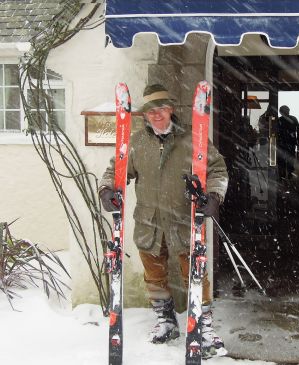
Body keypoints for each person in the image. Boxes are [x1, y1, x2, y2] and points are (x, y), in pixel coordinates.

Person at [98, 84, 229, 358]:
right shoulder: (136, 142)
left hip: (184, 220)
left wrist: (214, 197)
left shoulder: (193, 139)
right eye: (150, 111)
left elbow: (217, 168)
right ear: (144, 115)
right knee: (154, 276)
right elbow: (116, 170)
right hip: (149, 222)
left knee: (194, 274)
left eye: (161, 108)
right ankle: (166, 320)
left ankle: (203, 325)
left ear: (171, 109)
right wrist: (107, 190)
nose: (156, 114)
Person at [276, 105, 299, 180]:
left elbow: (276, 131)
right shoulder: (293, 118)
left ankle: (283, 174)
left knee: (283, 159)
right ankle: (288, 174)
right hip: (290, 142)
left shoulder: (279, 120)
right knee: (289, 159)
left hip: (283, 142)